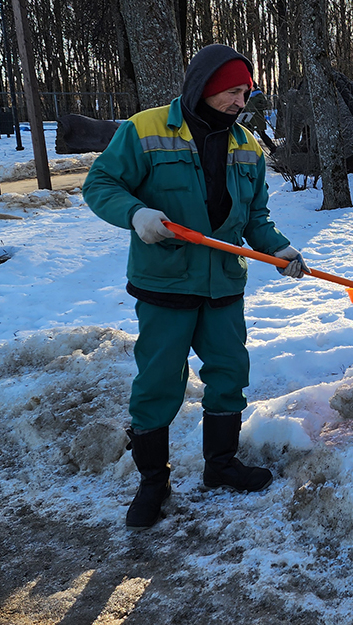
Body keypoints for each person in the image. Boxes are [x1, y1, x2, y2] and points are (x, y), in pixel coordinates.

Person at [83, 44, 309, 530]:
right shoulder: (144, 131)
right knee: (158, 380)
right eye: (232, 90)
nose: (240, 100)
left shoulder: (247, 145)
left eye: (246, 92)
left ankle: (220, 464)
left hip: (223, 283)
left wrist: (280, 251)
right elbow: (99, 185)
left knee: (229, 371)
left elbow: (255, 218)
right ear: (205, 87)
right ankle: (153, 480)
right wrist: (135, 213)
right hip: (165, 281)